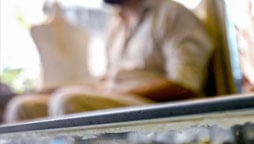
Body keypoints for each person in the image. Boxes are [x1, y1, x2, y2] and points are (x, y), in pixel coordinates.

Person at [4, 0, 214, 123]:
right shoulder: (115, 22)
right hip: (116, 100)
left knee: (68, 101)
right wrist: (51, 90)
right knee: (22, 107)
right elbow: (106, 81)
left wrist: (111, 95)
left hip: (156, 107)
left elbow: (185, 84)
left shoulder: (172, 14)